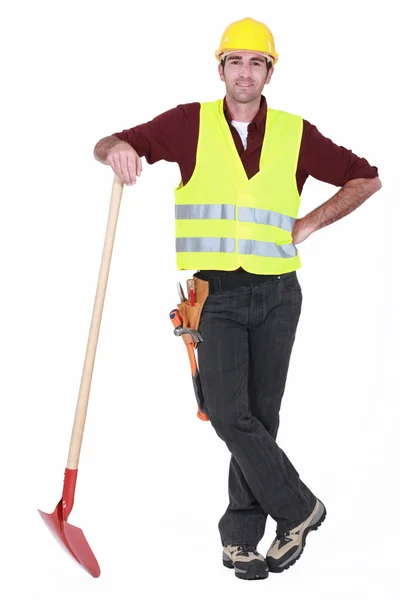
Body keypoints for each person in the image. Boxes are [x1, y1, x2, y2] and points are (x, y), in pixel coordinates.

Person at [94, 17, 381, 581]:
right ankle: (300, 509)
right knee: (229, 414)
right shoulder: (188, 124)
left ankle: (242, 539)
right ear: (220, 68)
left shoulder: (297, 133)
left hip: (278, 295)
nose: (245, 72)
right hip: (215, 297)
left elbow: (365, 178)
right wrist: (118, 149)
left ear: (269, 72)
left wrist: (309, 224)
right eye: (235, 61)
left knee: (259, 421)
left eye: (256, 62)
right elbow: (108, 142)